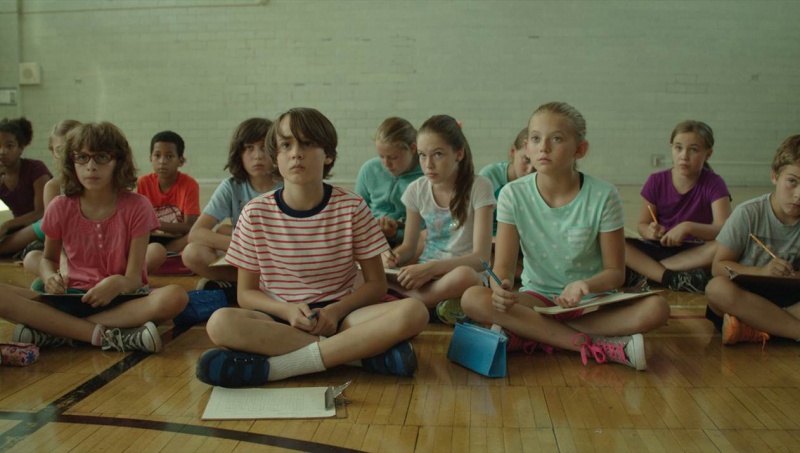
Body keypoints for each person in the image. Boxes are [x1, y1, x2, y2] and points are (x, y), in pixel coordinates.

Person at [195, 108, 428, 387]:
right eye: (286, 145)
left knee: (415, 311)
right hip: (280, 318)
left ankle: (277, 368)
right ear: (275, 157)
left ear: (327, 154)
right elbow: (246, 294)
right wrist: (287, 311)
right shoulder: (254, 213)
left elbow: (376, 285)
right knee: (219, 323)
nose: (296, 153)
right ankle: (356, 356)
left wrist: (335, 312)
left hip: (344, 317)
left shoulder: (352, 207)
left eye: (307, 144)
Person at [461, 102, 669, 371]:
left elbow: (615, 273)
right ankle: (593, 345)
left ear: (580, 149)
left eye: (557, 139)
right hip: (537, 300)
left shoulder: (604, 195)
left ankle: (534, 334)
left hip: (592, 303)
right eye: (535, 138)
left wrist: (584, 285)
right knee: (472, 298)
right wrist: (499, 287)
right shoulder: (513, 194)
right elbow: (502, 266)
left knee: (657, 308)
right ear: (526, 147)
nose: (544, 147)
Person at [0, 122, 188, 353]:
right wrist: (49, 277)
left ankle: (56, 331)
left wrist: (117, 282)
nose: (91, 167)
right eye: (82, 157)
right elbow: (48, 259)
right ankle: (104, 335)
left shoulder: (138, 206)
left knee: (175, 296)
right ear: (71, 161)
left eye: (101, 157)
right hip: (71, 298)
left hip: (121, 300)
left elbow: (134, 279)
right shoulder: (60, 206)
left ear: (118, 161)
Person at [382, 115, 495, 324]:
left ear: (458, 153)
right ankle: (432, 305)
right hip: (425, 279)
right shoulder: (416, 189)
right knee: (362, 272)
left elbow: (481, 259)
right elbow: (408, 247)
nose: (428, 165)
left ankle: (403, 303)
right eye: (422, 155)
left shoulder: (479, 187)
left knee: (466, 276)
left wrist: (431, 268)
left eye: (438, 154)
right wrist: (393, 257)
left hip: (457, 275)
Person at [705, 135, 800, 346]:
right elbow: (718, 267)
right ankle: (791, 329)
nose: (798, 194)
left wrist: (791, 276)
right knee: (716, 289)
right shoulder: (748, 213)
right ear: (775, 176)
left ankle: (754, 328)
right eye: (792, 182)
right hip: (746, 297)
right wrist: (763, 272)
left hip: (789, 298)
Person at [625, 120, 731, 294]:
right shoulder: (656, 180)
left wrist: (688, 227)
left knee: (724, 247)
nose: (684, 156)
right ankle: (674, 278)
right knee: (618, 244)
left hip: (693, 253)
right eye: (678, 148)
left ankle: (648, 273)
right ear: (671, 148)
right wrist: (650, 231)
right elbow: (642, 224)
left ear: (708, 154)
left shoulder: (714, 183)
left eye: (693, 149)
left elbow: (725, 230)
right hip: (657, 248)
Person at [181, 118, 280, 300]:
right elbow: (196, 233)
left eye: (264, 147)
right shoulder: (232, 186)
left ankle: (236, 289)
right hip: (246, 259)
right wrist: (243, 246)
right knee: (192, 253)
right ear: (239, 153)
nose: (257, 155)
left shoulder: (288, 184)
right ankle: (249, 286)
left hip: (281, 258)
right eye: (249, 148)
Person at [21, 120, 81, 276]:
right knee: (31, 258)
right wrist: (63, 264)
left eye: (72, 149)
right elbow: (53, 237)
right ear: (53, 152)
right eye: (60, 150)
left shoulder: (94, 181)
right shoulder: (53, 187)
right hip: (62, 252)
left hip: (95, 252)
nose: (67, 156)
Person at [137, 131, 200, 272]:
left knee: (197, 235)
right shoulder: (143, 183)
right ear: (150, 159)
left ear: (181, 161)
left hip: (176, 242)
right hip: (149, 241)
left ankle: (160, 256)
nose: (162, 161)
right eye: (157, 155)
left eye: (169, 156)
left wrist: (154, 223)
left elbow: (190, 227)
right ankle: (158, 257)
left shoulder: (189, 185)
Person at [355, 117, 423, 247]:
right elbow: (357, 212)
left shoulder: (425, 178)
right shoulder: (369, 169)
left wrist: (394, 235)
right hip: (369, 237)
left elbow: (427, 229)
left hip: (409, 242)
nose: (386, 164)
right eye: (381, 156)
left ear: (413, 148)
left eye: (393, 157)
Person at [0, 117, 52, 256]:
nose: (2, 151)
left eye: (9, 146)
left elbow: (42, 212)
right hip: (20, 228)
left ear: (21, 148)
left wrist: (7, 225)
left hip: (42, 224)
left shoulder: (35, 168)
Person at [478, 127, 536, 235]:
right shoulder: (489, 176)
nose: (530, 170)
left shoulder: (542, 179)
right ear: (513, 151)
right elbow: (477, 226)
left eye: (537, 162)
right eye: (526, 160)